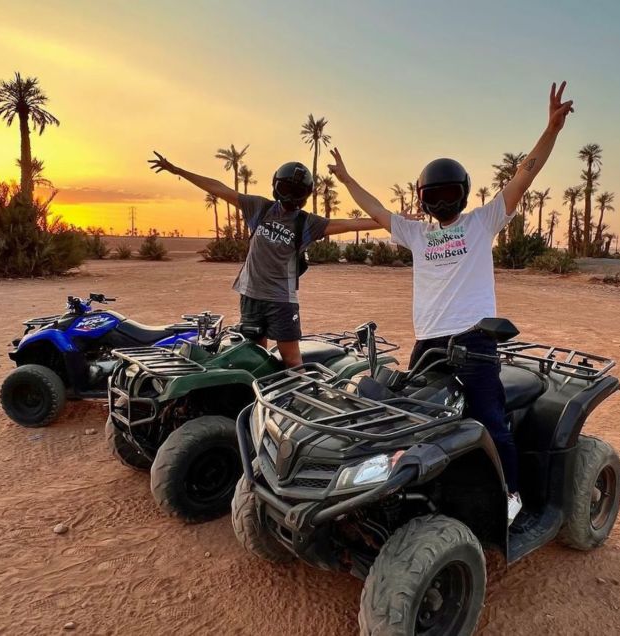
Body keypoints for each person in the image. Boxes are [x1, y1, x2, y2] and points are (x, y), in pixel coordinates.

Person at [327, 82, 576, 524]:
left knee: (489, 421)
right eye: (433, 196)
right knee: (413, 417)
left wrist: (551, 130)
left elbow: (525, 173)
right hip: (427, 343)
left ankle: (511, 496)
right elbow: (378, 208)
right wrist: (346, 180)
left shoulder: (484, 221)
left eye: (448, 194)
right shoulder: (416, 233)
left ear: (462, 194)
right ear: (423, 200)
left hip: (475, 342)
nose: (442, 202)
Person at [148, 154, 381, 367]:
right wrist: (178, 170)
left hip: (281, 301)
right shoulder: (260, 208)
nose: (289, 195)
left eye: (294, 190)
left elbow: (352, 223)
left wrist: (393, 221)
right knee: (254, 358)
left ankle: (297, 405)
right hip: (250, 296)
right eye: (286, 188)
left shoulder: (307, 223)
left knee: (292, 360)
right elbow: (219, 188)